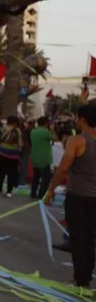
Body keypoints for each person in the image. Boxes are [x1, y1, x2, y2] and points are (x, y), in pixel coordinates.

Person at [45, 104, 96, 288]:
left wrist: (51, 189)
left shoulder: (77, 141)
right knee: (90, 238)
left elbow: (63, 169)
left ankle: (80, 281)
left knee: (77, 238)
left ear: (82, 119)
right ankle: (86, 277)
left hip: (78, 196)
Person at [0, 116, 23, 197]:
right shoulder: (17, 131)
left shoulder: (2, 128)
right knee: (11, 173)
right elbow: (20, 143)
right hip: (13, 155)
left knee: (2, 172)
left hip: (1, 153)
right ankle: (9, 192)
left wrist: (1, 146)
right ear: (15, 122)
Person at [30, 116, 54, 199]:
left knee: (36, 177)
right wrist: (51, 129)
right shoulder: (45, 132)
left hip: (35, 157)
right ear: (46, 123)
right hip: (44, 158)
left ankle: (33, 193)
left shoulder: (33, 131)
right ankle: (41, 195)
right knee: (46, 178)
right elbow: (55, 137)